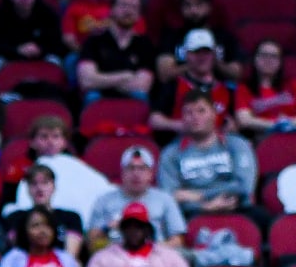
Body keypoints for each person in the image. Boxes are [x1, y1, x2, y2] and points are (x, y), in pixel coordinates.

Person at [157, 91, 258, 221]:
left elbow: (244, 186)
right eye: (189, 113)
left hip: (237, 207)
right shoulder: (170, 153)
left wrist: (198, 195)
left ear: (214, 114)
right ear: (182, 118)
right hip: (191, 214)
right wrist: (204, 206)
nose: (195, 117)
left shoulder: (237, 144)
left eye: (201, 111)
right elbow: (169, 196)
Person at [86, 145, 186, 251]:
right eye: (130, 168)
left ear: (151, 173)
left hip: (155, 257)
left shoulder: (165, 199)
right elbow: (90, 242)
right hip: (115, 257)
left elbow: (178, 241)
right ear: (122, 172)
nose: (136, 174)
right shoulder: (104, 201)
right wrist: (107, 228)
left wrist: (149, 250)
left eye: (142, 168)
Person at [76, 0, 154, 105]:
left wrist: (102, 80)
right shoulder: (94, 41)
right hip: (100, 96)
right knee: (92, 96)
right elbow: (86, 81)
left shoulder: (145, 44)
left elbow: (143, 86)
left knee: (140, 97)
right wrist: (124, 76)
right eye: (123, 5)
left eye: (134, 7)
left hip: (129, 97)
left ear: (139, 15)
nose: (128, 11)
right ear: (112, 10)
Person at [149, 29, 234, 136]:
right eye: (196, 52)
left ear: (214, 55)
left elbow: (233, 122)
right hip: (182, 144)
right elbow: (154, 120)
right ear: (186, 54)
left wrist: (231, 127)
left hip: (218, 147)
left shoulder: (226, 89)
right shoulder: (173, 86)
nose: (202, 57)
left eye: (206, 52)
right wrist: (179, 125)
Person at [4, 164, 84, 258]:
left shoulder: (71, 217)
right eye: (34, 183)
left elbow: (70, 257)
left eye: (45, 183)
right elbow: (17, 254)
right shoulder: (16, 218)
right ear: (28, 188)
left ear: (54, 187)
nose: (40, 188)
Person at [233, 39, 296, 138]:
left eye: (274, 56)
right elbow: (244, 120)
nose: (268, 60)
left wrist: (288, 124)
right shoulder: (244, 89)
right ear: (255, 59)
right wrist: (277, 125)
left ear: (280, 62)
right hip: (264, 138)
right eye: (264, 55)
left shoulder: (292, 84)